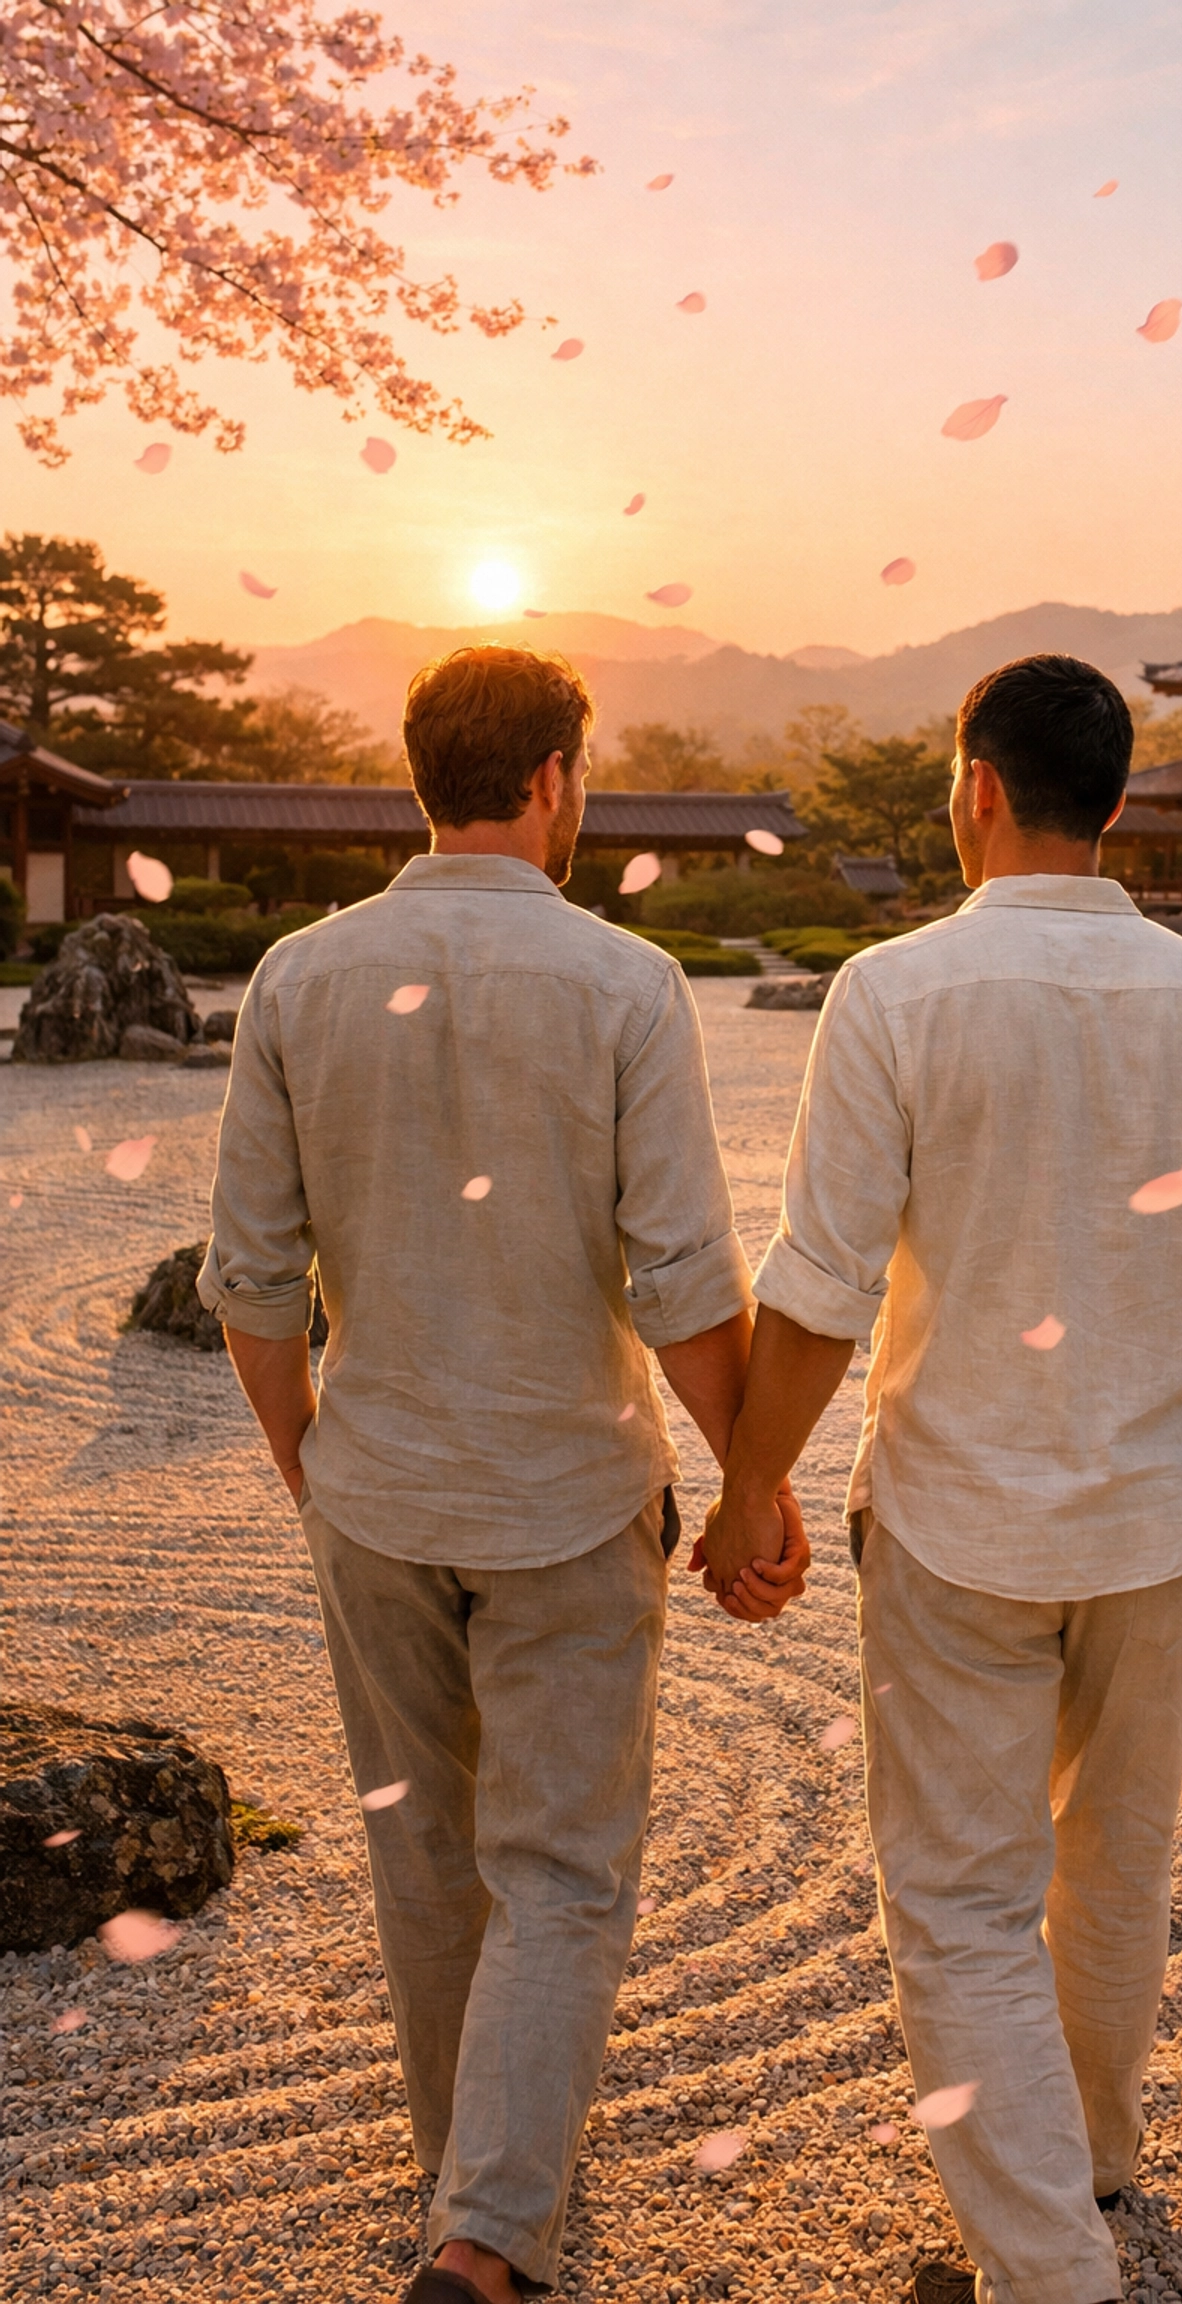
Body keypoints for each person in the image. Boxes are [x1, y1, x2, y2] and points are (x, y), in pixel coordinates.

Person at [198, 645, 807, 2304]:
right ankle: (487, 2231)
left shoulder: (297, 979)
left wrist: (307, 1464)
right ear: (552, 780)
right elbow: (686, 1286)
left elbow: (250, 1282)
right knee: (562, 1866)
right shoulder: (620, 983)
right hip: (564, 1493)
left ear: (426, 780)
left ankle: (467, 2184)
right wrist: (750, 1488)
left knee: (429, 1857)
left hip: (377, 1487)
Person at [703, 653, 1182, 2304]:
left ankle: (1050, 2263)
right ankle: (1094, 2162)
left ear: (976, 788)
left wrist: (751, 1487)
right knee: (1117, 1863)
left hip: (960, 1518)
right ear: (1115, 804)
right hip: (1144, 1522)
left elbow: (820, 1290)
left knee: (963, 1904)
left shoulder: (897, 995)